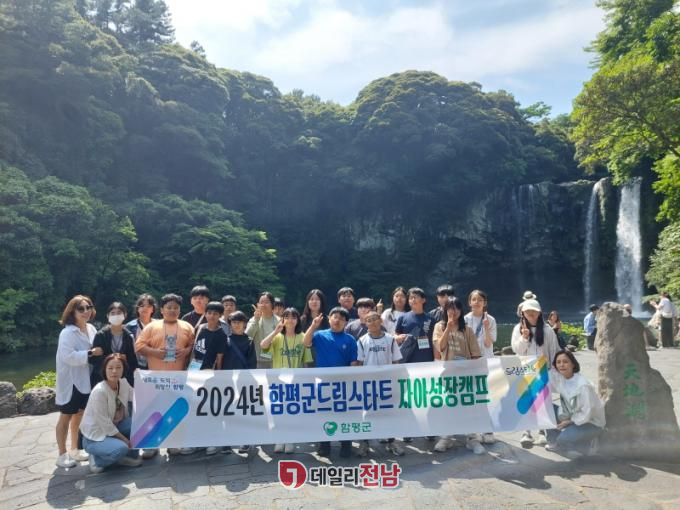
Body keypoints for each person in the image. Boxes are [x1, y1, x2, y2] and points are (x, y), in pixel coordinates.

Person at [135, 293, 195, 456]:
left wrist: (186, 351)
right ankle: (151, 445)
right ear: (161, 310)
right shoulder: (151, 327)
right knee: (154, 412)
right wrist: (155, 352)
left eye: (176, 308)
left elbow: (193, 345)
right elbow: (138, 346)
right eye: (169, 307)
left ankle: (173, 444)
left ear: (180, 310)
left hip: (178, 379)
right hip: (156, 379)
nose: (172, 310)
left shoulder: (187, 327)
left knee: (175, 411)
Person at [303, 307, 359, 457]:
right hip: (323, 384)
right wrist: (313, 326)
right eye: (335, 317)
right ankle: (324, 444)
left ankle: (346, 445)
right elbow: (305, 342)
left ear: (346, 322)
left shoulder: (350, 339)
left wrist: (351, 379)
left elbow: (354, 362)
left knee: (344, 415)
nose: (338, 320)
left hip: (343, 384)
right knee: (324, 413)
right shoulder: (320, 335)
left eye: (342, 318)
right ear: (329, 319)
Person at [55, 295, 103, 468]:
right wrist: (90, 353)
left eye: (88, 307)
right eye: (81, 308)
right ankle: (62, 454)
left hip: (86, 378)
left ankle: (75, 448)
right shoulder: (67, 332)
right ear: (72, 311)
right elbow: (67, 356)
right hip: (71, 380)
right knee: (66, 415)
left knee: (80, 414)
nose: (85, 311)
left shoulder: (91, 328)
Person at [433, 298, 485, 455]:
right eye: (450, 308)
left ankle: (472, 438)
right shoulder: (439, 326)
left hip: (465, 375)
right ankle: (446, 437)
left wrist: (473, 372)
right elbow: (439, 347)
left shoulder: (467, 330)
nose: (453, 311)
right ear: (445, 310)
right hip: (447, 374)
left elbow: (475, 354)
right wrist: (448, 328)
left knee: (468, 406)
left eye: (456, 308)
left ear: (461, 311)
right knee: (448, 405)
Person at [261, 307, 313, 454]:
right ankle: (279, 438)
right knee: (278, 410)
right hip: (277, 381)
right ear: (282, 319)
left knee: (292, 410)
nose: (290, 320)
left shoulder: (303, 337)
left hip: (295, 382)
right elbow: (263, 346)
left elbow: (306, 361)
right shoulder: (277, 337)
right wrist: (275, 332)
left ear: (298, 320)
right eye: (287, 317)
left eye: (293, 317)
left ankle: (290, 439)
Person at [80, 354, 143, 473]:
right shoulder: (100, 391)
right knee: (121, 448)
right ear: (104, 370)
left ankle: (122, 457)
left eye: (118, 367)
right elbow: (105, 424)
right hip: (96, 436)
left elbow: (138, 398)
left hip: (116, 426)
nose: (114, 371)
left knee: (140, 423)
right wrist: (125, 440)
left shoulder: (123, 383)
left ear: (124, 369)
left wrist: (141, 380)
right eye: (110, 368)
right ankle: (97, 459)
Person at [511, 298, 561, 448]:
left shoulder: (547, 330)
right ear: (523, 313)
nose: (531, 314)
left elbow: (554, 351)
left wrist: (553, 370)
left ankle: (542, 432)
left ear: (539, 313)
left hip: (543, 372)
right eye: (528, 312)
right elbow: (516, 350)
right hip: (525, 372)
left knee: (543, 403)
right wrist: (524, 337)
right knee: (526, 402)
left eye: (534, 311)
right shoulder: (518, 329)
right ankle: (526, 432)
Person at [356, 310, 404, 457]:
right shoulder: (362, 340)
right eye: (369, 320)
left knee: (388, 412)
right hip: (368, 383)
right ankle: (365, 443)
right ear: (365, 323)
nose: (372, 322)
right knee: (367, 413)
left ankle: (391, 442)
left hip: (386, 383)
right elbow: (359, 363)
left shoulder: (390, 339)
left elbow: (396, 361)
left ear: (381, 321)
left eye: (375, 319)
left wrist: (395, 380)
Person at [546, 350, 605, 458]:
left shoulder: (582, 385)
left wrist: (568, 422)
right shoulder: (561, 378)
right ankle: (555, 442)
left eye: (565, 362)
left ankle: (587, 444)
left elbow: (588, 412)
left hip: (590, 422)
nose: (561, 365)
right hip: (572, 415)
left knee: (564, 440)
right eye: (558, 362)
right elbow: (545, 381)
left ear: (573, 364)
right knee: (547, 408)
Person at [189, 301, 228, 455]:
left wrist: (217, 377)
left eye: (215, 314)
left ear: (220, 316)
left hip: (209, 374)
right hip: (194, 372)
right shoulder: (199, 328)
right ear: (205, 313)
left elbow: (220, 358)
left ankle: (212, 440)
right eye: (209, 313)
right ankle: (197, 441)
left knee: (210, 409)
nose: (211, 316)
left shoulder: (221, 334)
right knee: (195, 408)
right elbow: (193, 350)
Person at [464, 289, 498, 444]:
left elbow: (488, 343)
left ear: (485, 303)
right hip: (470, 363)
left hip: (485, 362)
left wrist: (485, 327)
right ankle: (472, 430)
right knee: (471, 395)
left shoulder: (490, 320)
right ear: (469, 302)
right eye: (474, 299)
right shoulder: (464, 319)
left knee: (485, 395)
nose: (476, 302)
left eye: (480, 300)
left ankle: (487, 429)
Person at [223, 310, 257, 454]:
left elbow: (252, 364)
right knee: (227, 411)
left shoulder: (249, 341)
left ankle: (246, 440)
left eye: (239, 322)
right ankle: (226, 441)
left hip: (244, 382)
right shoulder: (225, 340)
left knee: (244, 411)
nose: (236, 325)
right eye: (234, 322)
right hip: (226, 382)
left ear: (245, 324)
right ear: (230, 324)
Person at [91, 302, 138, 388]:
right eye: (113, 313)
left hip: (122, 380)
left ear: (125, 315)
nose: (116, 316)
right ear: (108, 316)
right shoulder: (101, 335)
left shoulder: (129, 336)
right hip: (102, 380)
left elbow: (133, 361)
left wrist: (125, 359)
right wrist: (113, 358)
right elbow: (93, 359)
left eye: (119, 313)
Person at [395, 288, 435, 365]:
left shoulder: (431, 319)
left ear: (423, 300)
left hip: (428, 361)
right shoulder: (402, 318)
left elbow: (434, 341)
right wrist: (397, 337)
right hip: (407, 361)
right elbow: (396, 336)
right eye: (410, 298)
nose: (413, 300)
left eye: (415, 297)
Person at [246, 292, 278, 369]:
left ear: (272, 304)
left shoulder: (279, 320)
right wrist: (256, 320)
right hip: (258, 361)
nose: (263, 305)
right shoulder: (254, 320)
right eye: (261, 302)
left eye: (266, 302)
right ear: (258, 305)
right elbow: (247, 336)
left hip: (276, 360)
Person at [125, 293, 157, 370]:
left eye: (148, 306)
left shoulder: (159, 325)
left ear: (152, 309)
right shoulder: (129, 326)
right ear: (138, 309)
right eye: (142, 306)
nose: (145, 308)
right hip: (134, 366)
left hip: (155, 365)